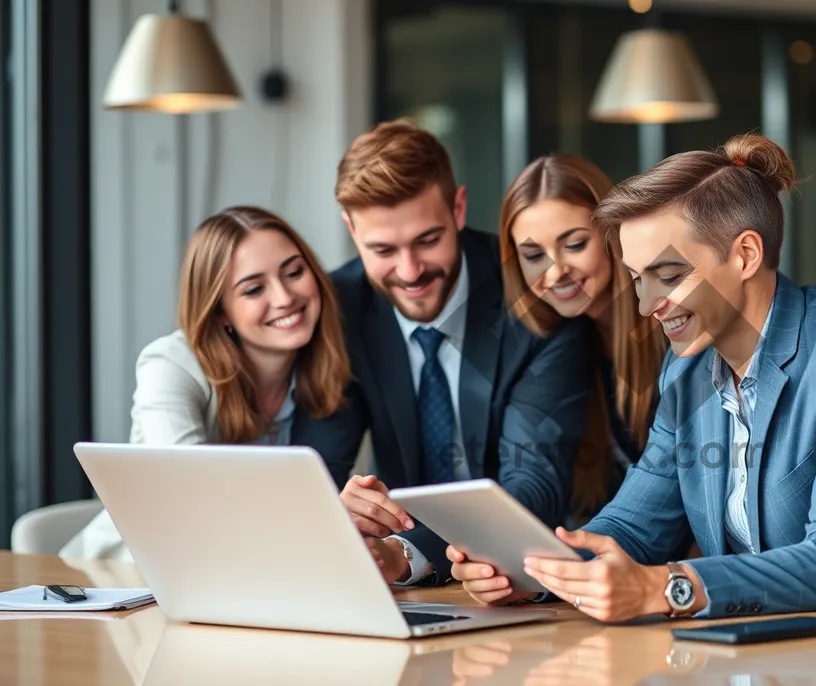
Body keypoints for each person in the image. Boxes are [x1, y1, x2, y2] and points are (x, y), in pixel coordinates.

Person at [449, 133, 816, 622]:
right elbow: (636, 528)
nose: (646, 305)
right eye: (638, 279)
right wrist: (531, 571)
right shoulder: (687, 369)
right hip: (784, 657)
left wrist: (668, 587)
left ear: (744, 254)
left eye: (667, 275)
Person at [291, 119, 594, 587]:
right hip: (402, 591)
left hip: (531, 583)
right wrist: (339, 506)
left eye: (427, 240)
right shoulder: (338, 309)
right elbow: (312, 472)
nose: (410, 271)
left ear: (458, 208)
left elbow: (535, 483)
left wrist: (404, 552)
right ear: (351, 230)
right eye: (383, 249)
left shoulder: (534, 295)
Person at [61, 206, 352, 562]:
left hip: (248, 574)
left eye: (294, 272)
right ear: (220, 311)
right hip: (124, 578)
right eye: (254, 289)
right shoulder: (171, 365)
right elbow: (189, 498)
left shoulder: (325, 367)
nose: (284, 297)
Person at [498, 153, 666, 526]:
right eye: (533, 254)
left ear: (612, 233)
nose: (556, 272)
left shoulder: (670, 324)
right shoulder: (558, 345)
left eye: (574, 245)